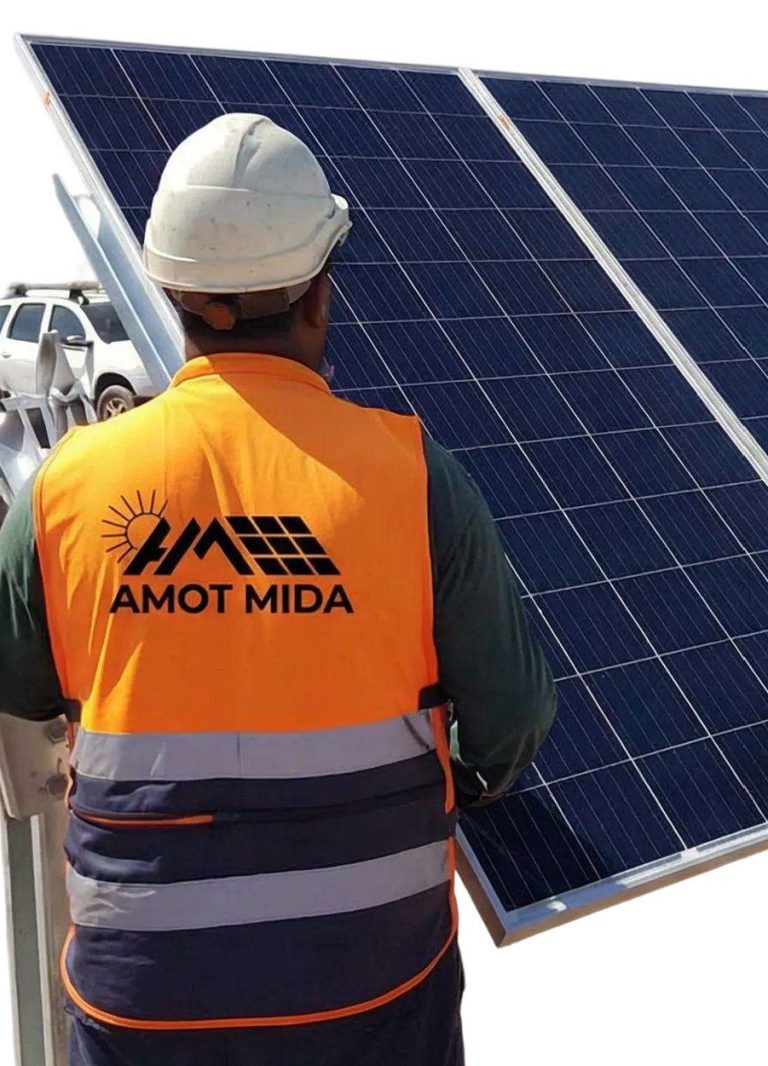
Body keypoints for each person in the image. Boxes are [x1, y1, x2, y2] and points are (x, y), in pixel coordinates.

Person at [0, 114, 556, 1066]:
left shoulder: (63, 490)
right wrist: (456, 781)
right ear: (319, 295)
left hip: (145, 1009)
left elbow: (21, 695)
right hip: (375, 996)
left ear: (169, 289)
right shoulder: (414, 479)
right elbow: (510, 717)